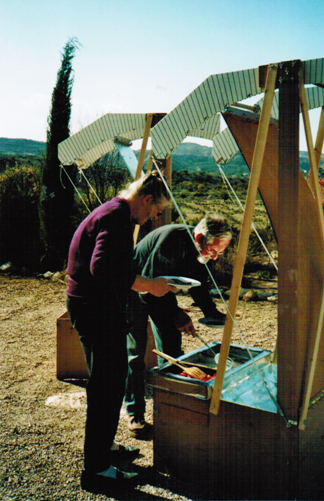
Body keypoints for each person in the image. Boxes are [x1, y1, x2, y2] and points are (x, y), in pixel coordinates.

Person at [66, 172, 176, 495]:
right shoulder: (117, 218)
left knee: (107, 380)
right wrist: (148, 285)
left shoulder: (118, 214)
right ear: (146, 200)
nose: (155, 218)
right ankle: (96, 470)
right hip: (92, 308)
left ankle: (101, 448)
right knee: (108, 384)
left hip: (89, 305)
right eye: (156, 211)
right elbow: (101, 268)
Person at [125, 213, 232, 438]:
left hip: (159, 293)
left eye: (219, 253)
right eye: (213, 251)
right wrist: (177, 315)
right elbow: (149, 289)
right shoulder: (171, 241)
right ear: (200, 237)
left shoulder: (201, 250)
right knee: (135, 355)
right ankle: (135, 415)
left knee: (173, 352)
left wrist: (212, 313)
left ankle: (172, 411)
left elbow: (199, 285)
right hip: (135, 290)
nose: (214, 257)